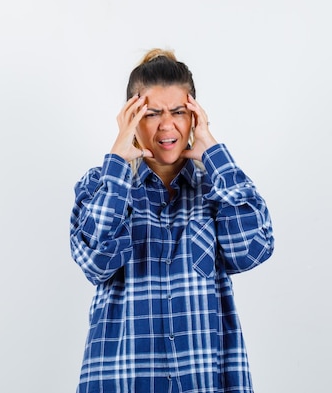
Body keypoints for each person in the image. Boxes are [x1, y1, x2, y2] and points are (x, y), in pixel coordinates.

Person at [70, 48, 274, 393]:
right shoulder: (101, 185)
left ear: (195, 116)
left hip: (206, 381)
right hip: (122, 380)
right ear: (131, 120)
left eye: (179, 111)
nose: (168, 125)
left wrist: (214, 154)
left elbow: (253, 249)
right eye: (151, 114)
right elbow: (94, 262)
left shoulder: (217, 186)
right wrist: (118, 163)